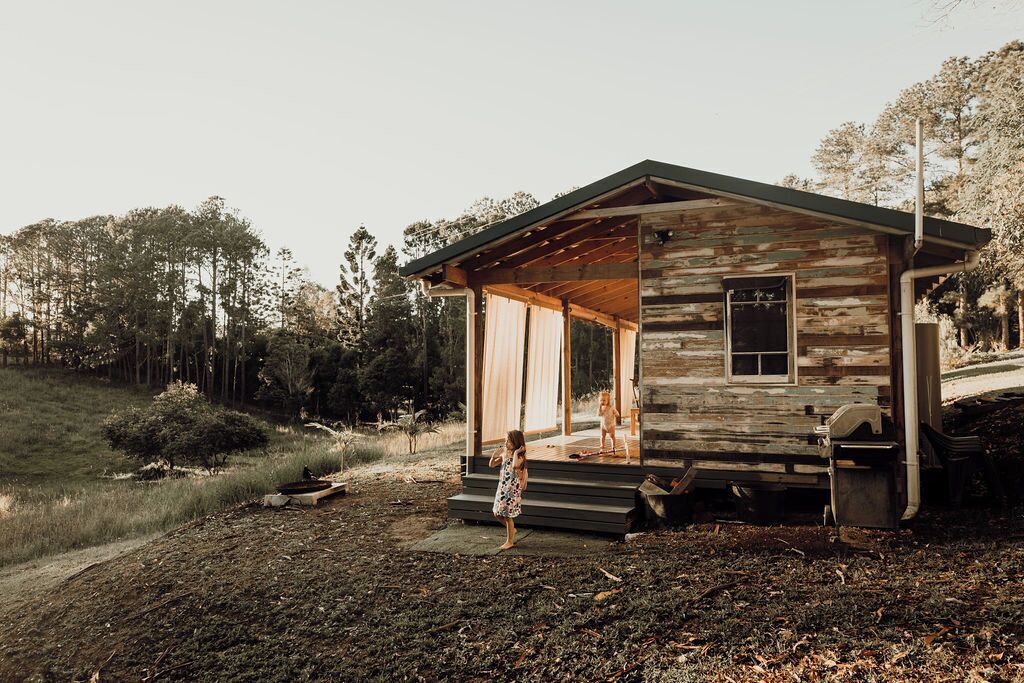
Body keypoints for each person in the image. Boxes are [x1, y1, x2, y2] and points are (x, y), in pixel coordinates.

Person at [489, 429, 528, 550]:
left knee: (507, 515)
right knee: (497, 512)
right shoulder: (504, 453)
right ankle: (512, 530)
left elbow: (515, 465)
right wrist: (494, 456)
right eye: (505, 441)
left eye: (509, 441)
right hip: (502, 487)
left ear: (516, 442)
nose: (506, 443)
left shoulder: (520, 456)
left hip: (512, 489)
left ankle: (510, 541)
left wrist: (516, 453)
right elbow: (491, 465)